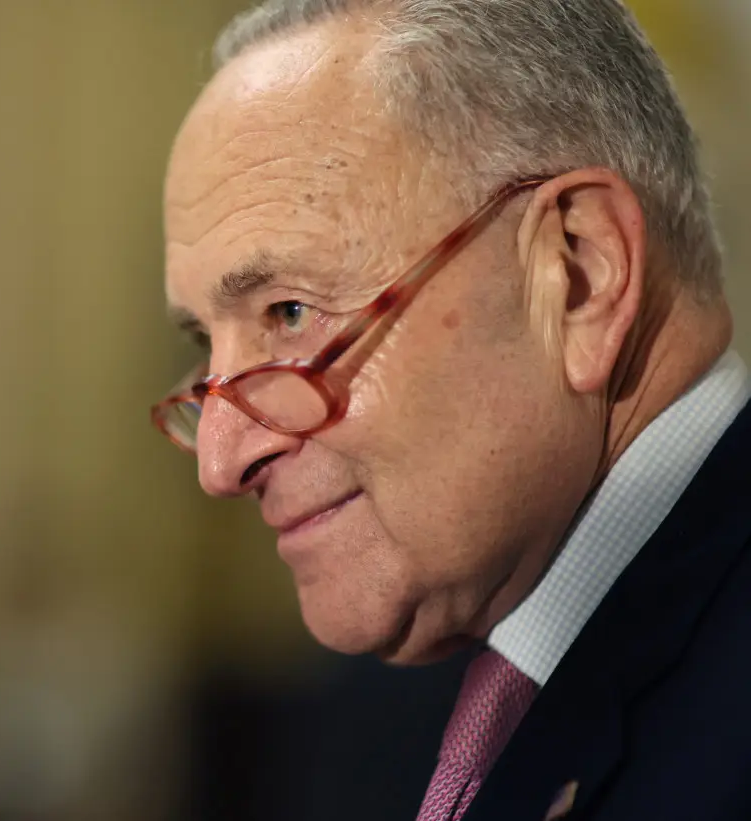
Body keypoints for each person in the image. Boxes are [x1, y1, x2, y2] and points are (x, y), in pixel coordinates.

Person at [150, 1, 751, 819]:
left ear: (578, 275)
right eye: (205, 352)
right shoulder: (407, 704)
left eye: (290, 314)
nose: (221, 460)